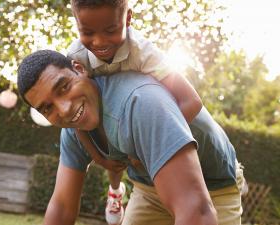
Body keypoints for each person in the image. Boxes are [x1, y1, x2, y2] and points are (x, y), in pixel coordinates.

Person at [17, 50, 246, 225]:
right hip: (149, 188)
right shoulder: (73, 130)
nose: (64, 109)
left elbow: (196, 211)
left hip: (213, 185)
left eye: (64, 87)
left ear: (79, 69)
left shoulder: (139, 101)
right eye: (47, 108)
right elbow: (63, 206)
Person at [67, 1, 203, 223]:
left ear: (128, 19)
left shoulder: (144, 52)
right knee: (108, 140)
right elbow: (75, 117)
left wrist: (150, 145)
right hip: (107, 116)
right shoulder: (76, 56)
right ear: (76, 24)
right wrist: (99, 159)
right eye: (87, 32)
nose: (99, 41)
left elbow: (192, 101)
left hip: (138, 116)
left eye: (110, 30)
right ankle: (115, 191)